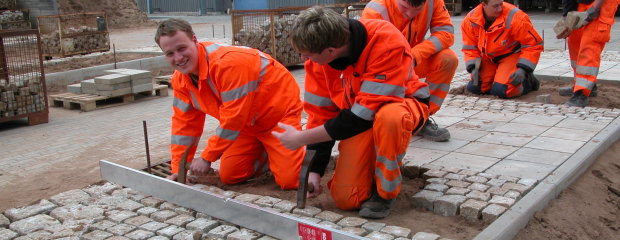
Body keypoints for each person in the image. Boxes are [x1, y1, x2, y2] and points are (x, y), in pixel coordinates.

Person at [273, 6, 431, 219]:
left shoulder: (385, 41)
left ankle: (385, 192)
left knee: (390, 118)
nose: (303, 58)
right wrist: (314, 171)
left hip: (403, 105)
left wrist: (300, 138)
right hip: (359, 117)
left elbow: (361, 116)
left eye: (307, 54)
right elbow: (320, 114)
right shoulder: (319, 61)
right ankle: (369, 166)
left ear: (331, 51)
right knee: (347, 199)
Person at [155, 18, 304, 190]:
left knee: (291, 180)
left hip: (277, 117)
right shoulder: (181, 80)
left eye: (182, 48)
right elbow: (184, 127)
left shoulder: (228, 64)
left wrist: (207, 157)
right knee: (230, 176)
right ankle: (269, 154)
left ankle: (294, 152)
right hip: (246, 126)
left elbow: (234, 118)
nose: (178, 58)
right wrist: (178, 169)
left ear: (195, 40)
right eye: (170, 53)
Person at [362, 0, 457, 142]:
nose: (410, 14)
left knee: (448, 59)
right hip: (385, 64)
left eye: (418, 9)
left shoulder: (433, 2)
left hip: (414, 59)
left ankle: (422, 118)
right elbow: (370, 55)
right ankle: (384, 118)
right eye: (404, 8)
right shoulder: (376, 9)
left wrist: (415, 55)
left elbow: (445, 33)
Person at [461, 0, 543, 99]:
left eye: (501, 4)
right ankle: (497, 76)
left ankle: (528, 81)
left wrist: (523, 69)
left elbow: (532, 44)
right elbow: (470, 48)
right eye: (495, 6)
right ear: (483, 5)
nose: (500, 8)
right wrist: (473, 68)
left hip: (510, 56)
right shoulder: (471, 20)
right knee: (475, 88)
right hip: (488, 58)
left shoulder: (515, 17)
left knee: (503, 90)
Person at [556, 0, 619, 107]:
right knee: (574, 40)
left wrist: (595, 8)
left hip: (603, 4)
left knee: (589, 45)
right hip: (583, 2)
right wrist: (566, 17)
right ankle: (587, 85)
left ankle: (581, 93)